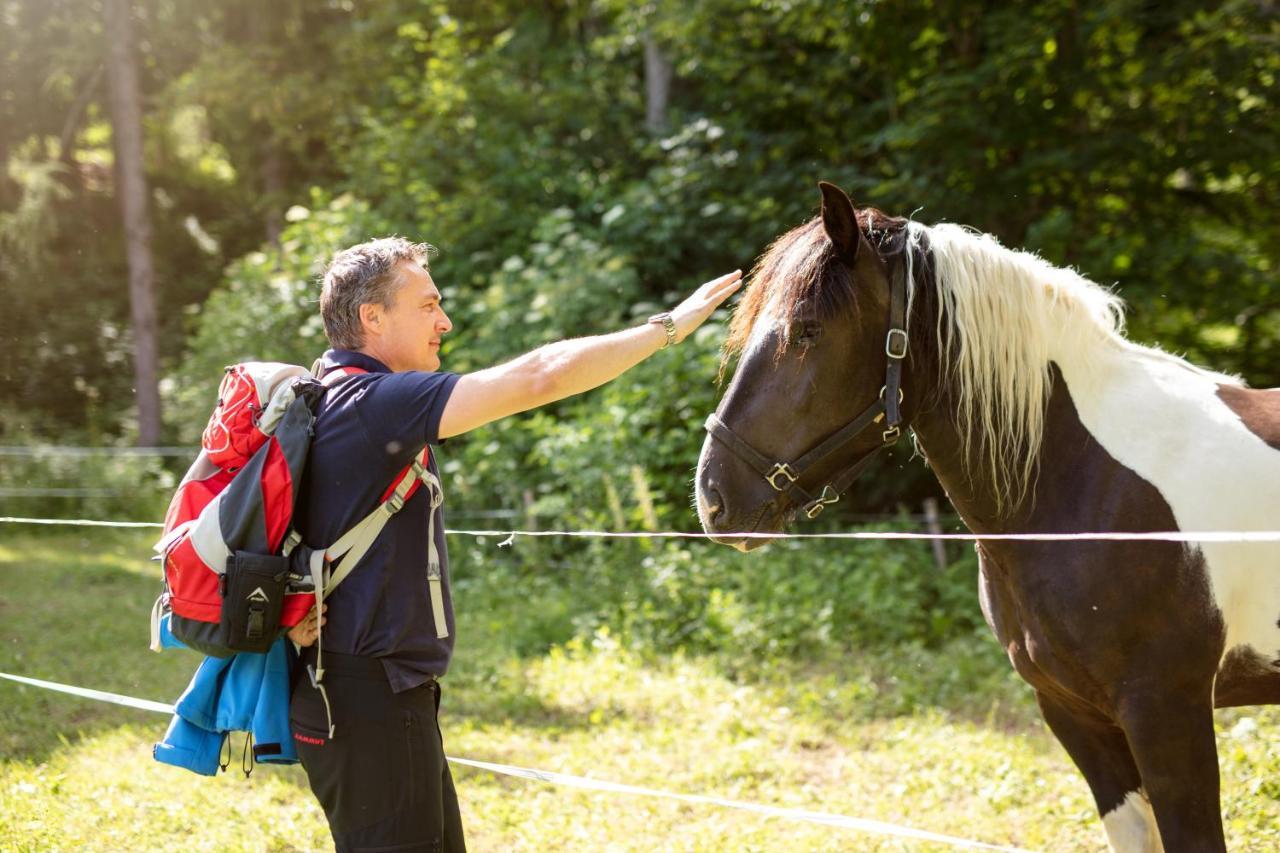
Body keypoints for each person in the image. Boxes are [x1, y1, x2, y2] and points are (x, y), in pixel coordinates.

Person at [283, 236, 741, 852]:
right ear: (372, 318)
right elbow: (539, 376)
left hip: (359, 691)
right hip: (367, 700)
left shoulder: (326, 394)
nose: (444, 321)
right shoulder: (376, 403)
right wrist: (667, 328)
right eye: (427, 305)